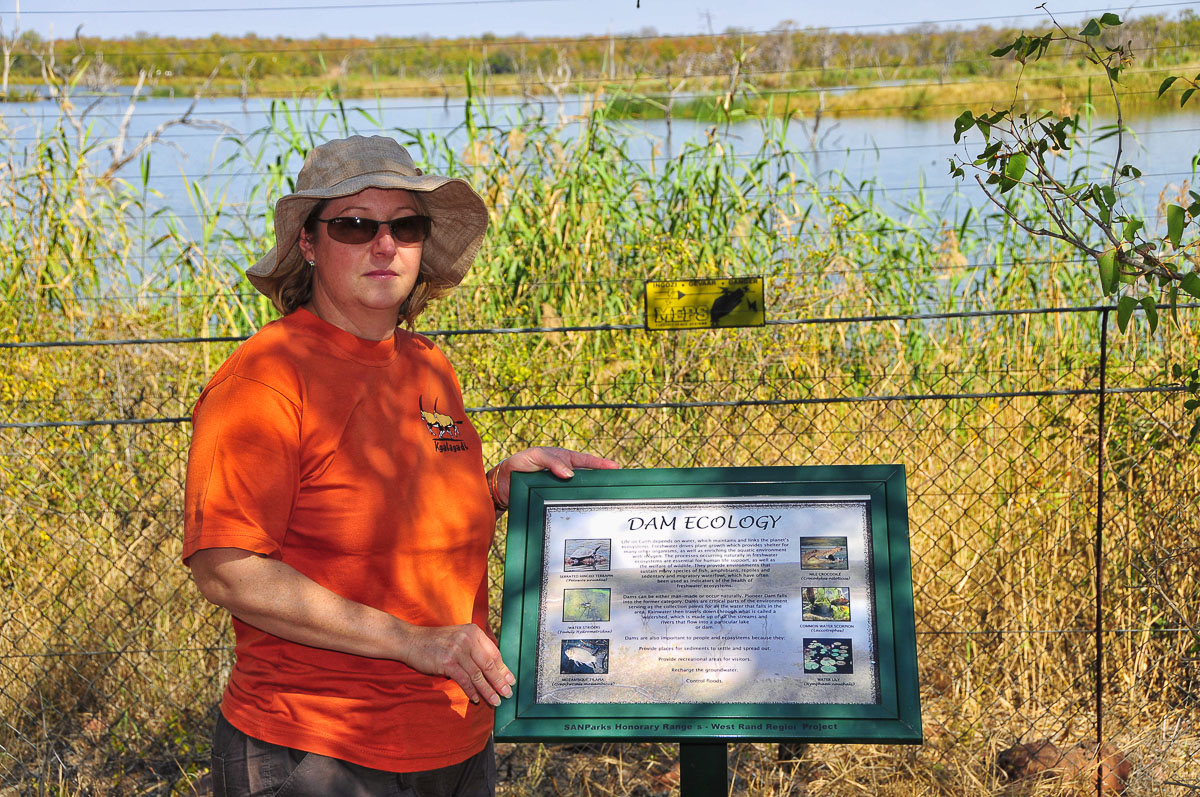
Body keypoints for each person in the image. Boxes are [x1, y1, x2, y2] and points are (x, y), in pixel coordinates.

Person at [183, 135, 617, 796]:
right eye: (355, 225)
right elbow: (228, 569)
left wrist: (497, 488)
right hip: (316, 749)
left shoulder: (427, 366)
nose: (384, 245)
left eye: (404, 226)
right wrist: (412, 641)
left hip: (456, 736)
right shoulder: (266, 378)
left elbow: (388, 510)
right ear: (308, 243)